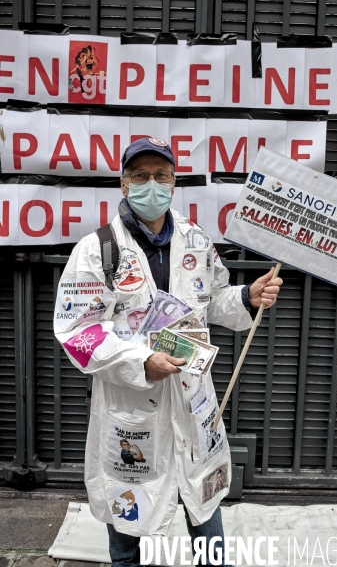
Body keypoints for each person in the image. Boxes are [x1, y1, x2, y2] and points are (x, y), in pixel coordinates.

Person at [53, 137, 283, 567]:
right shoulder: (98, 249)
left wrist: (248, 297)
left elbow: (213, 302)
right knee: (128, 519)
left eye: (161, 175)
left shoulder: (196, 238)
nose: (151, 184)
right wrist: (140, 361)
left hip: (193, 399)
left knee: (204, 504)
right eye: (140, 176)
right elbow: (77, 331)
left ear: (174, 182)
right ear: (124, 184)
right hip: (132, 406)